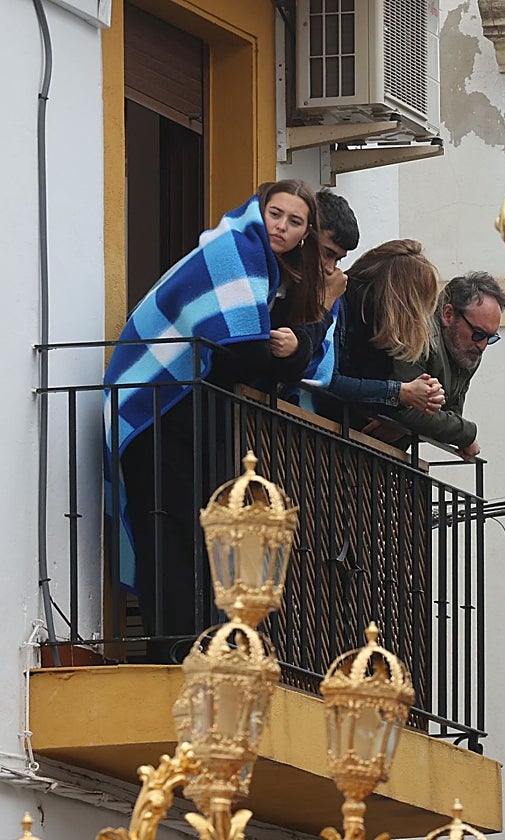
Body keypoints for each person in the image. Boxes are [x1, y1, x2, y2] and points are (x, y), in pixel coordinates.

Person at [105, 179, 330, 662]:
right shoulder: (232, 251)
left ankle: (191, 636)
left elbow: (257, 359)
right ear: (259, 211)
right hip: (156, 409)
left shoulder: (264, 272)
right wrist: (300, 348)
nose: (282, 227)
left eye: (295, 222)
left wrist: (300, 344)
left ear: (304, 234)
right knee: (166, 525)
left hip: (183, 409)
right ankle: (171, 641)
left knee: (192, 526)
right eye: (276, 214)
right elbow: (245, 356)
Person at [371, 271, 505, 459]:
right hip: (350, 435)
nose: (483, 345)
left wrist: (409, 426)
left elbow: (449, 415)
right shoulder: (418, 335)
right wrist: (467, 434)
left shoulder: (467, 352)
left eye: (490, 337)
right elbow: (405, 409)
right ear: (448, 314)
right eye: (478, 333)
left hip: (384, 454)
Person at [325, 239, 448, 416]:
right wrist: (402, 393)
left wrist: (419, 396)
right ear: (403, 300)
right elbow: (329, 381)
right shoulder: (340, 305)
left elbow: (368, 391)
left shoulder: (375, 324)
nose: (419, 316)